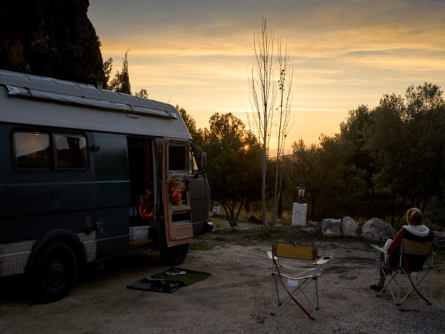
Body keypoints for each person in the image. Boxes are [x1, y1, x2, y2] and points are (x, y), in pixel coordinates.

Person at [369, 208, 436, 292]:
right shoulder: (430, 233)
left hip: (399, 266)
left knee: (383, 250)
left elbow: (389, 251)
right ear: (421, 219)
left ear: (409, 219)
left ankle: (380, 283)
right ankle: (380, 283)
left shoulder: (405, 231)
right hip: (417, 267)